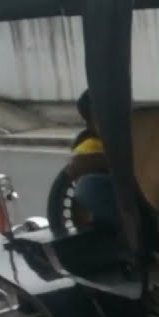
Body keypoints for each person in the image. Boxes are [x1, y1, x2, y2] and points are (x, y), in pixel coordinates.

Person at [65, 89, 119, 232]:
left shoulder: (136, 132)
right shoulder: (89, 145)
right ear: (90, 122)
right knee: (87, 186)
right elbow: (79, 165)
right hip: (124, 207)